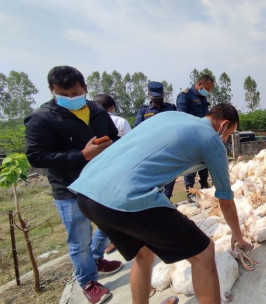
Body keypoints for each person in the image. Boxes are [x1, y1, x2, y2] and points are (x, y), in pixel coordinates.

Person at [68, 103, 252, 304]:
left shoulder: (170, 116)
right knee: (204, 253)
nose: (224, 140)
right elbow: (225, 199)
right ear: (224, 125)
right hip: (128, 197)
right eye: (228, 134)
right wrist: (237, 235)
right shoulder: (211, 140)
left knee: (144, 253)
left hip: (88, 192)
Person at [24, 66, 123, 304]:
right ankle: (88, 281)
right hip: (70, 188)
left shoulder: (98, 113)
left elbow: (114, 138)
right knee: (79, 238)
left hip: (102, 183)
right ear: (52, 91)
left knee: (109, 225)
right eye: (64, 94)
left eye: (75, 92)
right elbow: (36, 156)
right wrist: (82, 155)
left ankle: (97, 259)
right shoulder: (42, 118)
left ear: (85, 88)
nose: (70, 97)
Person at [93, 93, 132, 255]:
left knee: (107, 212)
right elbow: (130, 144)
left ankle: (104, 248)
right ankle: (119, 242)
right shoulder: (120, 121)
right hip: (121, 171)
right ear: (112, 108)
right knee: (122, 209)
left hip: (98, 173)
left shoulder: (89, 121)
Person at [135, 81, 177, 198]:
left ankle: (167, 199)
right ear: (149, 95)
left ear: (163, 95)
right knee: (152, 176)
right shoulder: (144, 110)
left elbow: (178, 125)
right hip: (150, 149)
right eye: (154, 96)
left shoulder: (171, 108)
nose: (157, 99)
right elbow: (138, 128)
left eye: (159, 96)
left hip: (168, 148)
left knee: (170, 175)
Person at [177, 75, 215, 199]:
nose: (208, 92)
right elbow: (181, 118)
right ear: (199, 84)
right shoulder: (185, 96)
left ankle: (205, 190)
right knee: (191, 167)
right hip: (190, 137)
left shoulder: (203, 97)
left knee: (204, 165)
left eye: (209, 90)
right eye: (207, 89)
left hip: (203, 137)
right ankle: (190, 193)